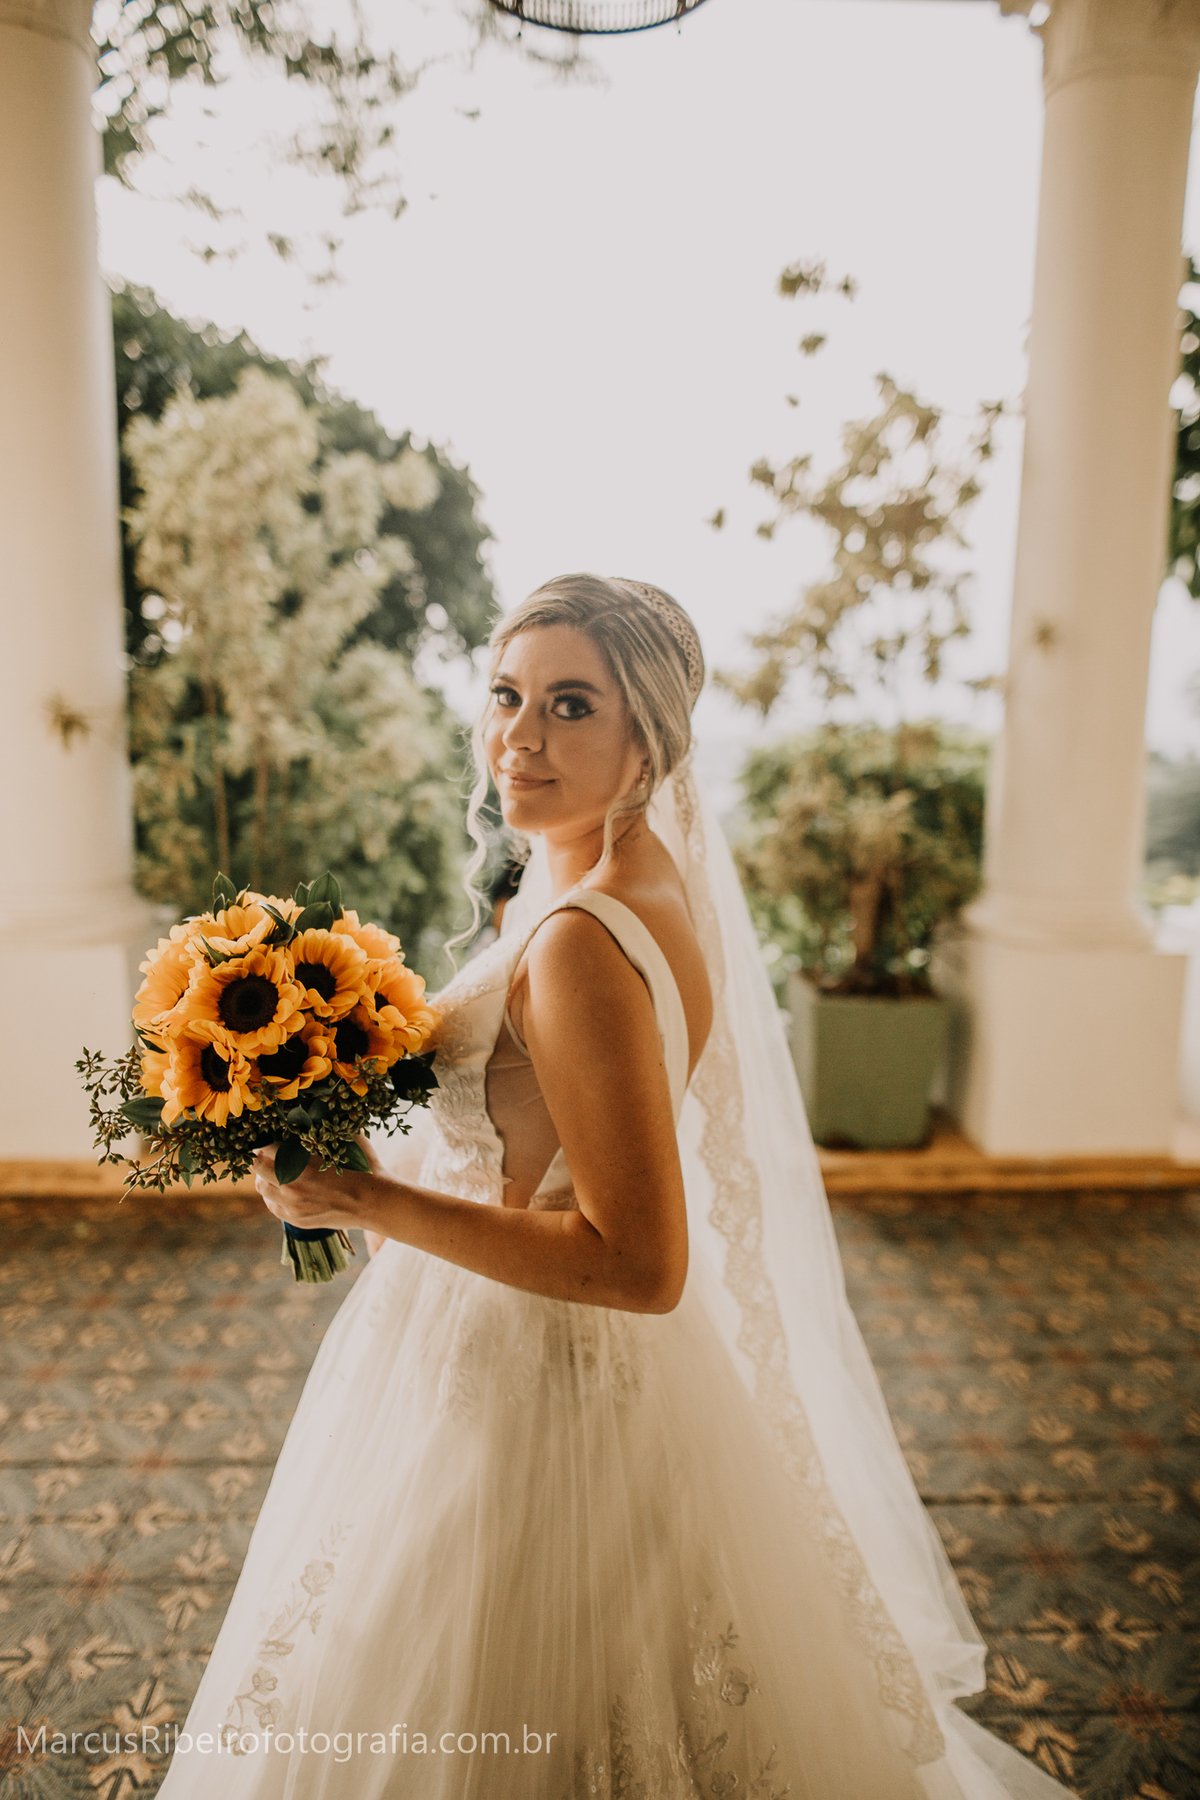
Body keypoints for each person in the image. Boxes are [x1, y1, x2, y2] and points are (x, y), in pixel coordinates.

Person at [158, 575, 1070, 1800]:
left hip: (538, 1382)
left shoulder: (583, 938)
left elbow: (639, 1266)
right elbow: (538, 1151)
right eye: (506, 694)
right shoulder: (602, 881)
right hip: (538, 1341)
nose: (519, 737)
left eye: (570, 705)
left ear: (650, 738)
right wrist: (369, 1166)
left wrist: (371, 1206)